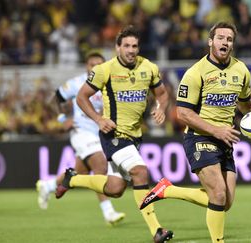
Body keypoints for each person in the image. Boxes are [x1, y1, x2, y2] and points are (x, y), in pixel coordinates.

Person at [140, 22, 251, 243]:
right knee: (218, 193)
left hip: (224, 140)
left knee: (225, 203)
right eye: (220, 38)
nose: (225, 43)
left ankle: (167, 190)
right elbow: (183, 113)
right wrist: (216, 130)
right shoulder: (196, 73)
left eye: (229, 39)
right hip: (200, 137)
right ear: (210, 41)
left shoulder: (241, 70)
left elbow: (246, 104)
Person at [55, 25, 174, 243]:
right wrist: (99, 119)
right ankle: (156, 230)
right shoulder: (105, 70)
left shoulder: (148, 67)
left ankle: (73, 179)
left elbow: (163, 94)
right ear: (117, 47)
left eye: (135, 46)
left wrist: (160, 107)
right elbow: (82, 97)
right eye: (126, 45)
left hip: (135, 136)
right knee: (140, 172)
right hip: (114, 135)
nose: (131, 50)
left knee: (115, 188)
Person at [35, 52, 125, 225]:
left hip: (102, 133)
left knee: (80, 173)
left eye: (99, 64)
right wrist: (62, 119)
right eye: (92, 64)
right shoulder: (77, 83)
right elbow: (55, 99)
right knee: (100, 164)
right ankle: (109, 213)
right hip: (81, 132)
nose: (95, 67)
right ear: (86, 66)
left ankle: (48, 186)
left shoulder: (111, 83)